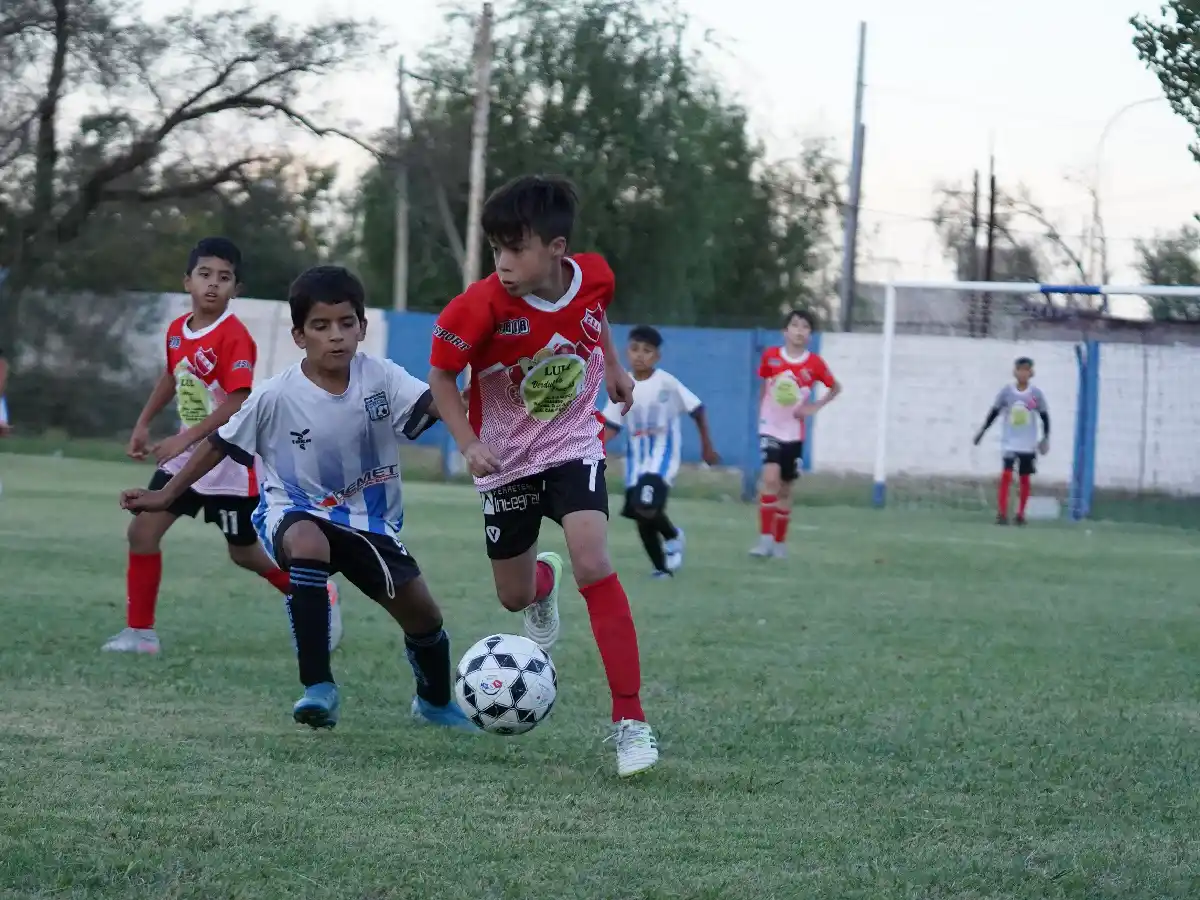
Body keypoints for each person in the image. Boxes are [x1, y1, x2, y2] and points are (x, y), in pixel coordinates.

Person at [121, 265, 473, 731]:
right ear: (299, 335)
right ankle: (318, 688)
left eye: (347, 324)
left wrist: (471, 395)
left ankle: (433, 703)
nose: (337, 336)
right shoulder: (275, 394)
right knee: (308, 543)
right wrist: (165, 495)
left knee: (423, 615)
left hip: (370, 521)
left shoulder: (381, 377)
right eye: (321, 326)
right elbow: (220, 444)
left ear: (362, 327)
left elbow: (435, 405)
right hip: (293, 510)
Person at [427, 174, 659, 778]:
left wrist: (610, 365)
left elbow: (596, 312)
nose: (503, 263)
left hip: (572, 443)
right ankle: (541, 585)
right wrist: (468, 442)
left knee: (594, 558)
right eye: (496, 249)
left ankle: (631, 723)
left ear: (556, 249)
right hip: (504, 461)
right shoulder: (474, 308)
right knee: (513, 596)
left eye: (516, 249)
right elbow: (442, 378)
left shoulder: (594, 276)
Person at [103, 237, 340, 656]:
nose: (213, 285)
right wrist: (143, 423)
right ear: (187, 282)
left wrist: (183, 438)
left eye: (224, 278)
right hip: (186, 460)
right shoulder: (178, 331)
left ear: (236, 288)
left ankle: (315, 592)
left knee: (245, 554)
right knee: (142, 530)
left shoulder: (235, 337)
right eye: (205, 275)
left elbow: (236, 401)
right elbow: (172, 375)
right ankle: (140, 635)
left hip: (227, 462)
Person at [601, 325, 719, 577]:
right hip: (634, 461)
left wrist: (707, 446)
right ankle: (661, 568)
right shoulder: (622, 384)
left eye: (647, 351)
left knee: (646, 505)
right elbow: (611, 425)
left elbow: (697, 409)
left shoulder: (667, 383)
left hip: (663, 457)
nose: (640, 355)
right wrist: (594, 448)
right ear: (626, 352)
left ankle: (673, 536)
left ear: (657, 356)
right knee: (641, 515)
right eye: (634, 349)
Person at [751, 309, 841, 559]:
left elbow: (835, 388)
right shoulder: (771, 357)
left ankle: (780, 543)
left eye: (805, 327)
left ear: (810, 335)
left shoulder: (814, 364)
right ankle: (764, 541)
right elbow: (764, 387)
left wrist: (814, 407)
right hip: (769, 427)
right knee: (770, 478)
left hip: (793, 431)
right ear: (785, 331)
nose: (799, 331)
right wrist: (762, 415)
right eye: (795, 325)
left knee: (786, 488)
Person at [973, 356, 1050, 526]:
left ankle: (1021, 514)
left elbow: (1044, 416)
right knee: (1006, 475)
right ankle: (1002, 513)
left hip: (1027, 443)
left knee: (1024, 478)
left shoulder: (1035, 395)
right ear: (1015, 372)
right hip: (1010, 441)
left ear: (1031, 373)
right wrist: (982, 431)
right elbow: (994, 412)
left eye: (1026, 370)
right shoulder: (1007, 393)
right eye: (1020, 369)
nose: (1023, 373)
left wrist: (1046, 437)